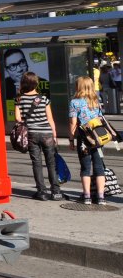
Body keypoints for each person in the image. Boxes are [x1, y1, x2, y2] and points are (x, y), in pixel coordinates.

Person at [68, 75, 119, 205]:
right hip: (97, 139)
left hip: (84, 140)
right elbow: (101, 118)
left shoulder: (74, 102)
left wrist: (71, 139)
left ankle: (87, 197)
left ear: (78, 87)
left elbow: (73, 123)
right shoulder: (95, 100)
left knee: (85, 168)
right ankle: (101, 197)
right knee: (99, 167)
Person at [14, 72, 62, 200]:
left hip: (32, 134)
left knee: (37, 163)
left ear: (23, 83)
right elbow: (50, 119)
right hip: (47, 133)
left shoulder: (19, 99)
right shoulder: (44, 99)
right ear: (36, 83)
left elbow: (18, 118)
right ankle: (56, 191)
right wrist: (55, 134)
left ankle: (42, 192)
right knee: (51, 163)